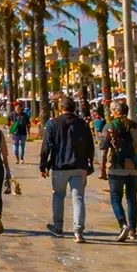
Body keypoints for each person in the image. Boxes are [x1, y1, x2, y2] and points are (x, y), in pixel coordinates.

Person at [40, 97, 95, 243]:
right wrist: (89, 163)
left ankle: (58, 227)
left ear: (60, 108)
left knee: (58, 195)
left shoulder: (52, 123)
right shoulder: (83, 124)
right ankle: (78, 232)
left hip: (60, 166)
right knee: (78, 198)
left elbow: (46, 146)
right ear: (74, 108)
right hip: (79, 166)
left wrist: (43, 164)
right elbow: (90, 145)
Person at [99, 101, 137, 241]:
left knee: (115, 198)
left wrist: (102, 168)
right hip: (135, 168)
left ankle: (123, 224)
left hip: (117, 168)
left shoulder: (109, 126)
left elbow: (103, 149)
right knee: (131, 199)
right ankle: (133, 231)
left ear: (115, 111)